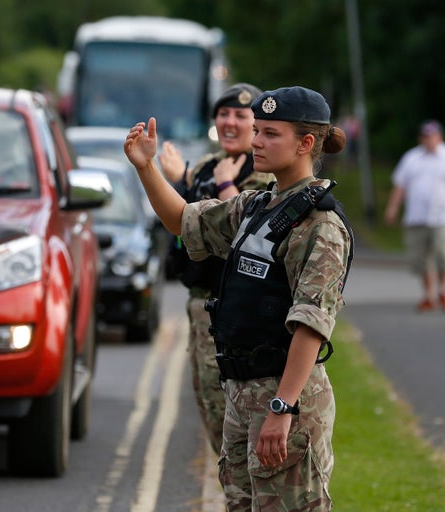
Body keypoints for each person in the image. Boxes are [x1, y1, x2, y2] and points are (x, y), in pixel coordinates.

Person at [124, 86, 353, 511]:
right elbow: (182, 220)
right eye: (258, 131)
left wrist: (282, 407)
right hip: (243, 392)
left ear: (306, 143)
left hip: (287, 400)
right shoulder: (256, 206)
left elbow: (311, 324)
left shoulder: (320, 224)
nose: (255, 142)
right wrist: (146, 168)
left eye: (269, 134)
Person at [158, 82, 275, 456]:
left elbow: (252, 231)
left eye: (241, 116)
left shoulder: (264, 172)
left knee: (231, 419)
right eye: (223, 114)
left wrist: (226, 182)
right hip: (198, 303)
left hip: (232, 311)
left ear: (256, 124)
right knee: (209, 409)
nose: (230, 122)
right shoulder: (207, 166)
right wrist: (180, 179)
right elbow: (185, 215)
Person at [384, 120, 445, 312]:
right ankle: (429, 295)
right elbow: (400, 186)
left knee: (443, 252)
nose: (428, 139)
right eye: (425, 136)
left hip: (444, 216)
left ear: (440, 137)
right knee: (420, 258)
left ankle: (443, 290)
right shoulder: (412, 158)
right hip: (416, 216)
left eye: (431, 135)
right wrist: (393, 207)